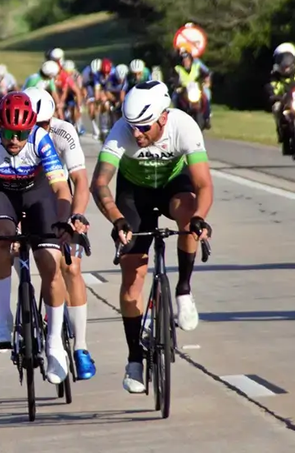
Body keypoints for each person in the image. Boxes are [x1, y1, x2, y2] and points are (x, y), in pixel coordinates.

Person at [88, 80, 213, 394]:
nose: (136, 134)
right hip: (134, 195)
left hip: (173, 185)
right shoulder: (121, 131)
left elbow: (203, 184)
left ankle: (184, 290)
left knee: (188, 213)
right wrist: (116, 219)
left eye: (143, 127)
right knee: (132, 279)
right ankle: (134, 358)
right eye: (132, 126)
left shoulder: (184, 126)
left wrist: (200, 218)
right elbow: (99, 183)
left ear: (163, 118)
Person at [0, 92, 75, 384]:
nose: (14, 140)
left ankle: (54, 343)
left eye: (21, 134)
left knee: (49, 260)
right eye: (8, 133)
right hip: (1, 193)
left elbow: (61, 190)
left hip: (37, 193)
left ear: (30, 129)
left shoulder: (41, 139)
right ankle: (3, 319)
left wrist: (63, 221)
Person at [24, 87, 96, 380]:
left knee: (71, 267)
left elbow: (80, 181)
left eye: (43, 125)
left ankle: (81, 347)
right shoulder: (12, 132)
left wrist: (76, 216)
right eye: (32, 125)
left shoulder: (63, 132)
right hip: (25, 198)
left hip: (58, 198)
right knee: (41, 264)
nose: (37, 131)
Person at [171, 49, 212, 126]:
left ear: (190, 60)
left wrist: (207, 82)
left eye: (187, 60)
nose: (185, 62)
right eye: (184, 60)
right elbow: (174, 79)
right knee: (175, 98)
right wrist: (176, 87)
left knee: (206, 98)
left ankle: (207, 117)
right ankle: (177, 119)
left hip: (196, 89)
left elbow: (206, 75)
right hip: (183, 90)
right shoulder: (178, 69)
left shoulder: (197, 66)